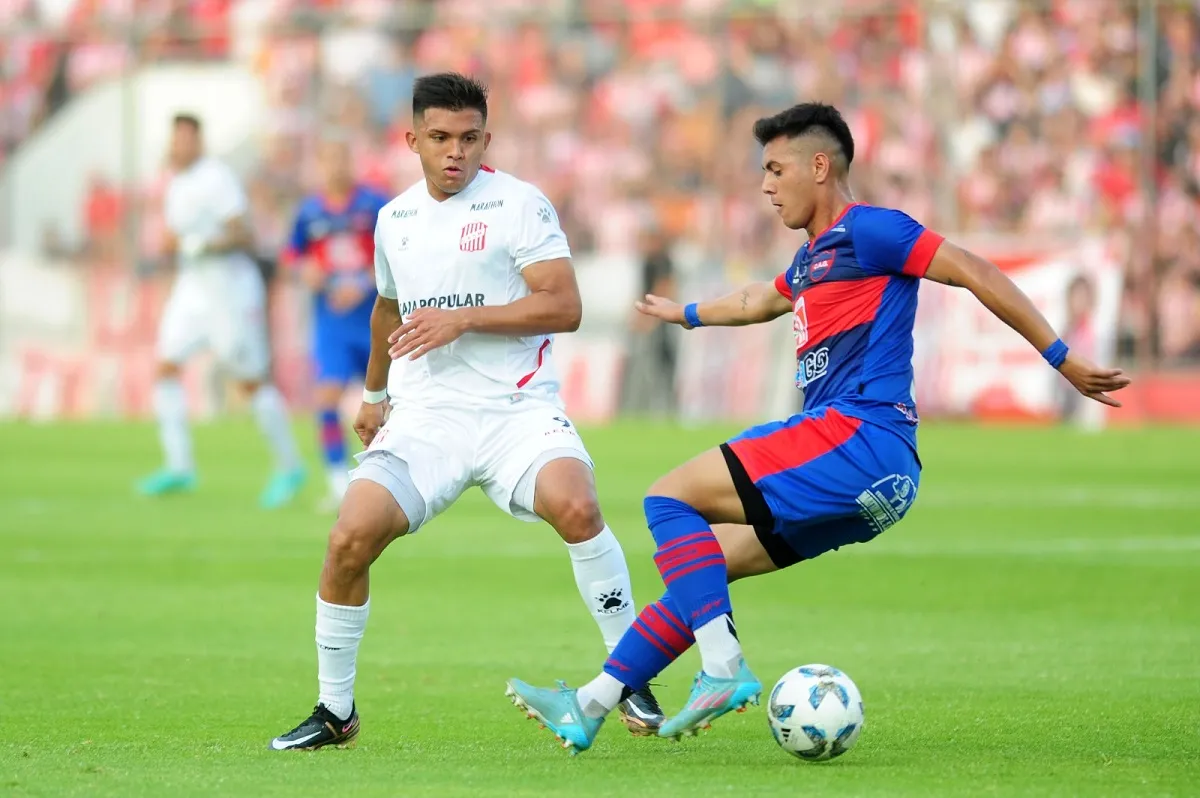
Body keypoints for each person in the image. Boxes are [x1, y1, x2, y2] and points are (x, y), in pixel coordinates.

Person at [505, 102, 1132, 753]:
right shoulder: (812, 260)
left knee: (668, 498)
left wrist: (1061, 357)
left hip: (859, 436)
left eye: (776, 170)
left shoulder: (873, 232)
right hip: (880, 481)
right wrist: (686, 312)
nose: (767, 186)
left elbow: (974, 270)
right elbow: (759, 300)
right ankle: (589, 705)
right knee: (705, 568)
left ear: (820, 165)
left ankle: (721, 669)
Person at [269, 73, 663, 751]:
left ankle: (630, 675)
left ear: (487, 138)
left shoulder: (520, 205)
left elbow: (563, 305)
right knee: (347, 539)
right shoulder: (394, 219)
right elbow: (387, 309)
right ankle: (336, 712)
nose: (456, 152)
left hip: (517, 411)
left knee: (578, 507)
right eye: (441, 137)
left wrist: (463, 321)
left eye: (470, 138)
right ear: (413, 138)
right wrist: (372, 395)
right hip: (428, 418)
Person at [136, 114, 305, 509]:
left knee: (250, 382)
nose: (178, 147)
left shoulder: (216, 179)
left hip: (229, 290)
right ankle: (180, 466)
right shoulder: (176, 182)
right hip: (193, 288)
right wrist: (171, 248)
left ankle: (289, 465)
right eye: (174, 139)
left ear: (199, 142)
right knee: (165, 366)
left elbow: (243, 232)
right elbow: (176, 237)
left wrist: (205, 244)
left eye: (185, 140)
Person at [286, 138, 391, 510]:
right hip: (331, 325)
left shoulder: (375, 204)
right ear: (320, 164)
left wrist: (363, 282)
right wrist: (305, 272)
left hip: (376, 320)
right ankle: (336, 484)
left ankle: (393, 482)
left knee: (389, 405)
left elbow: (398, 252)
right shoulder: (308, 211)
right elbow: (292, 257)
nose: (336, 167)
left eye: (342, 157)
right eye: (328, 159)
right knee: (326, 398)